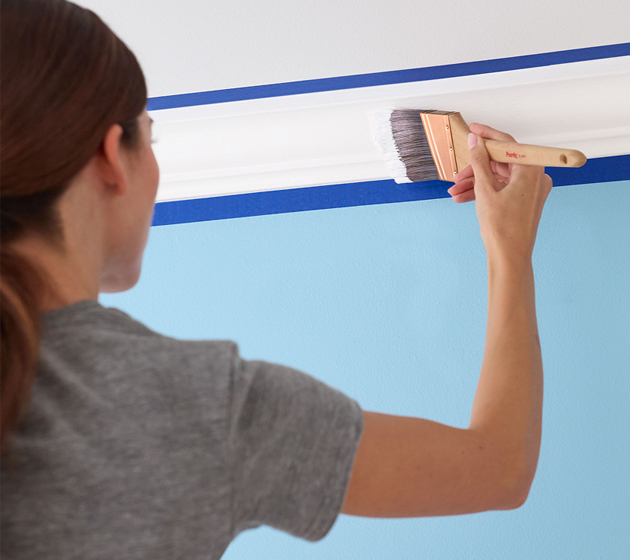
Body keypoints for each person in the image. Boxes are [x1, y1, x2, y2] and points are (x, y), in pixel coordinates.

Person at [0, 0, 552, 557]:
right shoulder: (195, 406)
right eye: (152, 136)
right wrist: (510, 250)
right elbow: (496, 468)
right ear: (110, 159)